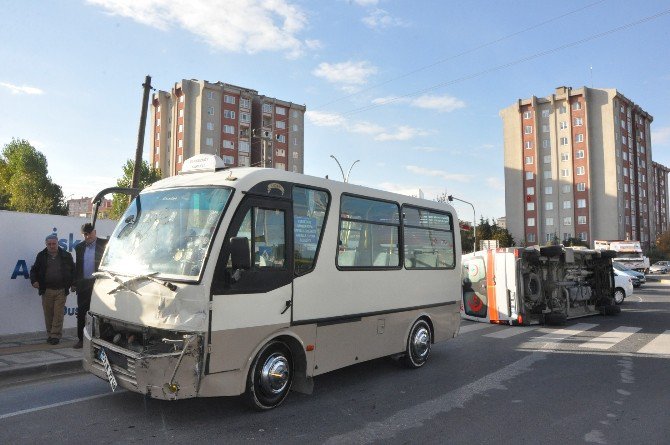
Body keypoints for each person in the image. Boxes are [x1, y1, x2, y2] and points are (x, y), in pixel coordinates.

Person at [30, 234, 75, 345]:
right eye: (49, 244)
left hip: (61, 290)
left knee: (58, 314)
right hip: (46, 290)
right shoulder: (41, 256)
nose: (51, 246)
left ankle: (55, 335)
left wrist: (74, 284)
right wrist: (34, 281)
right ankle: (50, 334)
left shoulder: (66, 255)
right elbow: (34, 270)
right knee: (48, 314)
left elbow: (74, 271)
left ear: (57, 243)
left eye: (53, 243)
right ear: (46, 244)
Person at [72, 223, 108, 349]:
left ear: (95, 232)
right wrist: (75, 283)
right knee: (82, 313)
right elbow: (78, 268)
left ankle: (102, 341)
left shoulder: (105, 244)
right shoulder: (79, 247)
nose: (88, 236)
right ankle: (81, 339)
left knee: (100, 313)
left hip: (99, 284)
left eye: (89, 233)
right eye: (85, 234)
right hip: (83, 284)